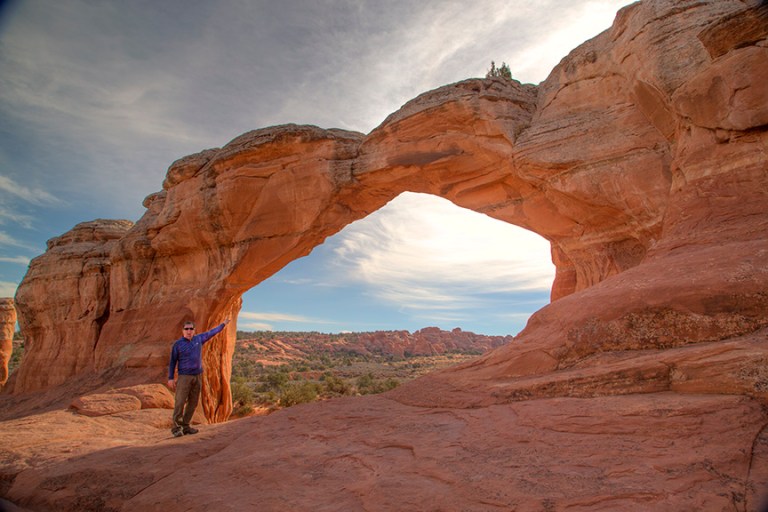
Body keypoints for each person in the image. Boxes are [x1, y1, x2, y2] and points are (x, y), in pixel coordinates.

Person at [167, 318, 230, 437]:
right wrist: (170, 378)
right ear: (183, 331)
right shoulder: (178, 345)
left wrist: (223, 324)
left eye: (191, 329)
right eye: (187, 329)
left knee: (193, 402)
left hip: (197, 376)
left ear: (194, 330)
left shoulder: (198, 339)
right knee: (180, 401)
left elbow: (212, 332)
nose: (189, 331)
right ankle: (176, 428)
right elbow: (172, 362)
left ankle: (186, 426)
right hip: (184, 376)